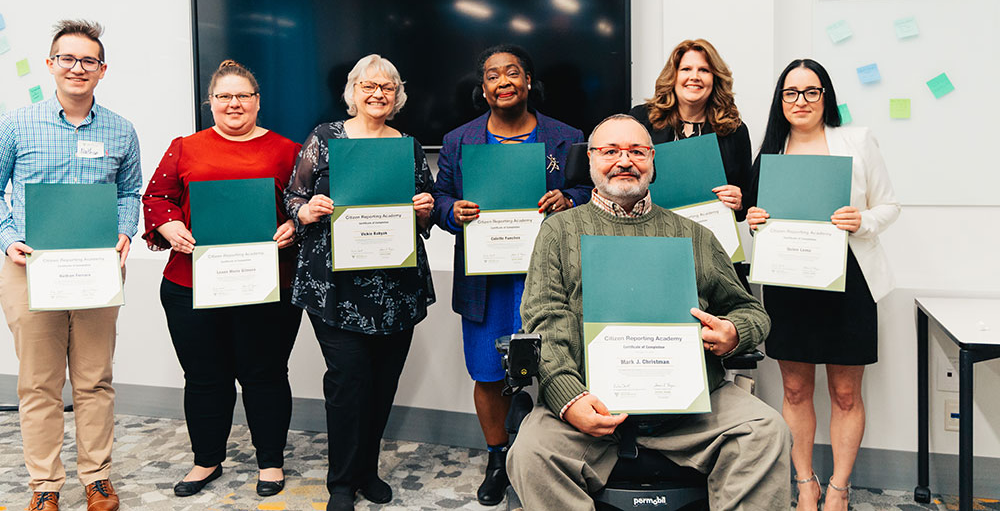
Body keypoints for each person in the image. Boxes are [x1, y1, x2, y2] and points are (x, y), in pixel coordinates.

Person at [507, 113, 791, 511]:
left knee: (767, 431)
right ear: (590, 160)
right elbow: (543, 322)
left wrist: (733, 332)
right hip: (591, 406)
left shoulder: (694, 234)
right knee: (530, 453)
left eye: (636, 151)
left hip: (689, 413)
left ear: (652, 161)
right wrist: (569, 399)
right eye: (611, 151)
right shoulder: (558, 231)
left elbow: (751, 311)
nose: (625, 160)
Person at [432, 44, 591, 505]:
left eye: (513, 73)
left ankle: (553, 457)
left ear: (528, 82)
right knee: (487, 372)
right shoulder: (459, 141)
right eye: (493, 76)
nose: (504, 82)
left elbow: (585, 187)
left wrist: (570, 199)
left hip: (549, 275)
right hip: (485, 281)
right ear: (482, 89)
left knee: (558, 365)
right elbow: (441, 197)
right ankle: (497, 458)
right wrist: (451, 211)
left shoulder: (566, 136)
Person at [141, 59, 302, 498]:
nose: (233, 104)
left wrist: (294, 226)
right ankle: (206, 460)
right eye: (223, 96)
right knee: (205, 377)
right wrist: (168, 225)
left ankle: (270, 462)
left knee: (265, 374)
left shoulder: (288, 150)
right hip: (191, 286)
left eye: (242, 96)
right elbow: (156, 197)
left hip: (267, 285)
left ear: (257, 102)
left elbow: (306, 204)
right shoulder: (184, 147)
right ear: (210, 102)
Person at [745, 59, 899, 511]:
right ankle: (806, 483)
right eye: (791, 93)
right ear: (781, 101)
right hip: (789, 283)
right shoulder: (772, 152)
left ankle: (840, 488)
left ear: (825, 97)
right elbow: (755, 221)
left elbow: (889, 206)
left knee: (846, 394)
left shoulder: (857, 141)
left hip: (848, 281)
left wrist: (862, 220)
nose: (801, 101)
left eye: (811, 92)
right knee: (795, 391)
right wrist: (753, 221)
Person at [0, 20, 141, 511]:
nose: (77, 68)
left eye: (88, 61)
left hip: (97, 269)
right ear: (50, 64)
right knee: (38, 382)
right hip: (29, 268)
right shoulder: (16, 124)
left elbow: (129, 192)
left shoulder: (121, 129)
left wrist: (126, 230)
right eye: (68, 58)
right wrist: (8, 237)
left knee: (94, 378)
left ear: (102, 71)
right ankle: (45, 486)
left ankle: (97, 477)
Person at [284, 54, 435, 511]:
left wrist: (425, 209)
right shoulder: (325, 137)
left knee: (384, 382)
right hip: (335, 287)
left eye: (387, 87)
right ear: (352, 91)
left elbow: (422, 208)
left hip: (396, 287)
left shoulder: (407, 145)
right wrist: (305, 210)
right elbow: (294, 194)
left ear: (397, 95)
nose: (377, 94)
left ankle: (367, 470)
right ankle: (342, 484)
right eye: (368, 85)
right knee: (349, 382)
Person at [629, 38, 751, 219]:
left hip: (710, 235)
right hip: (650, 230)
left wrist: (740, 201)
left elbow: (747, 199)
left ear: (715, 78)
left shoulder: (735, 130)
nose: (694, 76)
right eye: (686, 69)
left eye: (704, 70)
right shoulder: (641, 120)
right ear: (673, 76)